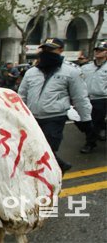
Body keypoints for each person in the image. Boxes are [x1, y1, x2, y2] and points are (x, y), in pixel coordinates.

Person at [18, 38, 93, 173]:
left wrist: (86, 119)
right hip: (32, 118)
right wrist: (19, 114)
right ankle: (58, 167)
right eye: (45, 49)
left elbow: (80, 97)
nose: (47, 52)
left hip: (54, 117)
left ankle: (54, 173)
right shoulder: (31, 72)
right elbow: (21, 95)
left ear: (61, 50)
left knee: (47, 149)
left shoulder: (71, 71)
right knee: (32, 148)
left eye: (51, 49)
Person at [79, 40, 107, 152]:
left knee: (94, 121)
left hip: (102, 99)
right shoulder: (86, 67)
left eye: (101, 50)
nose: (98, 52)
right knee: (81, 120)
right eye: (97, 50)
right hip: (86, 98)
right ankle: (102, 127)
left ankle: (90, 143)